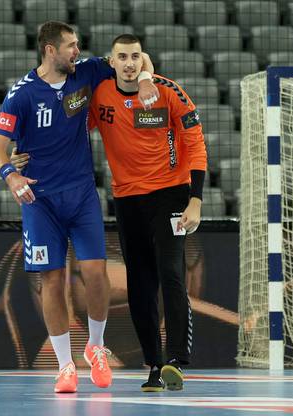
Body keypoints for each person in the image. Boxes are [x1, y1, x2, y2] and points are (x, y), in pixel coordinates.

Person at [0, 21, 159, 393]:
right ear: (50, 50)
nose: (76, 50)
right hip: (40, 199)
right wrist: (10, 176)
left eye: (77, 44)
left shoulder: (86, 72)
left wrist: (146, 79)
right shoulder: (21, 94)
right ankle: (65, 365)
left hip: (81, 194)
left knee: (95, 272)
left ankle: (95, 347)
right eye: (70, 46)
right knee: (52, 279)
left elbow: (133, 56)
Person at [88, 34, 206, 392]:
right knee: (139, 283)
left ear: (143, 59)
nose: (129, 63)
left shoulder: (168, 91)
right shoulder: (100, 97)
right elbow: (71, 129)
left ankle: (176, 360)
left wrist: (196, 200)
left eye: (135, 57)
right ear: (112, 62)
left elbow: (195, 143)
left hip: (170, 194)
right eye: (121, 57)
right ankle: (154, 365)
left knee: (171, 271)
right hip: (127, 199)